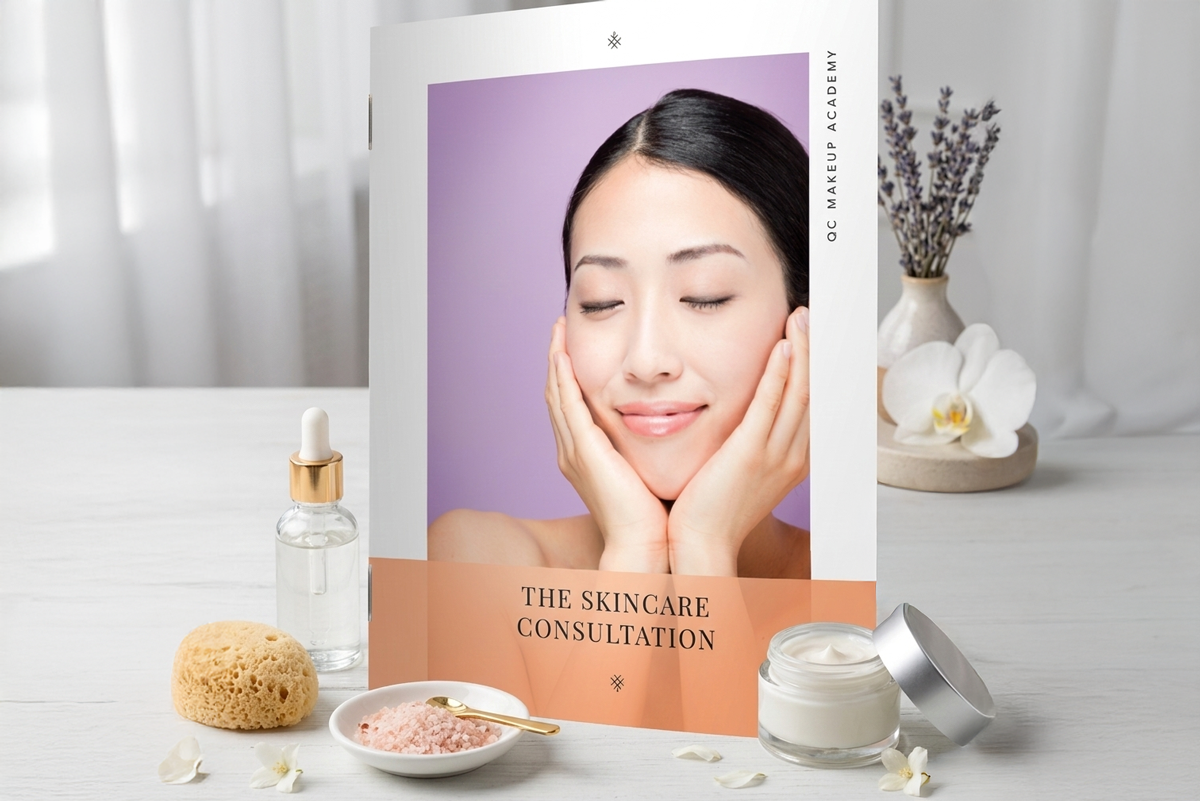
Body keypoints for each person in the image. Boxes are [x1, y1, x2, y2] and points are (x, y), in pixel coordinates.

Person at [429, 89, 810, 578]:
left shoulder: (853, 586)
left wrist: (705, 545)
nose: (646, 360)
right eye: (601, 301)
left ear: (803, 319)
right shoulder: (476, 557)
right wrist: (635, 549)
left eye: (705, 295)